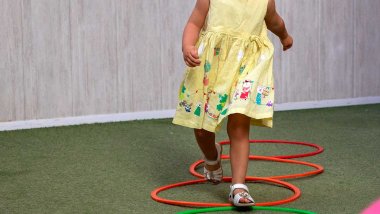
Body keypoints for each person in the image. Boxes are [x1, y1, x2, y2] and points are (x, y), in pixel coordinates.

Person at [172, 0, 293, 206]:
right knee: (202, 129)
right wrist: (187, 46)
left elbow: (275, 21)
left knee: (238, 124)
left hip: (247, 65)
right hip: (212, 67)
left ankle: (238, 187)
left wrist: (284, 36)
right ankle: (212, 156)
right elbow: (194, 23)